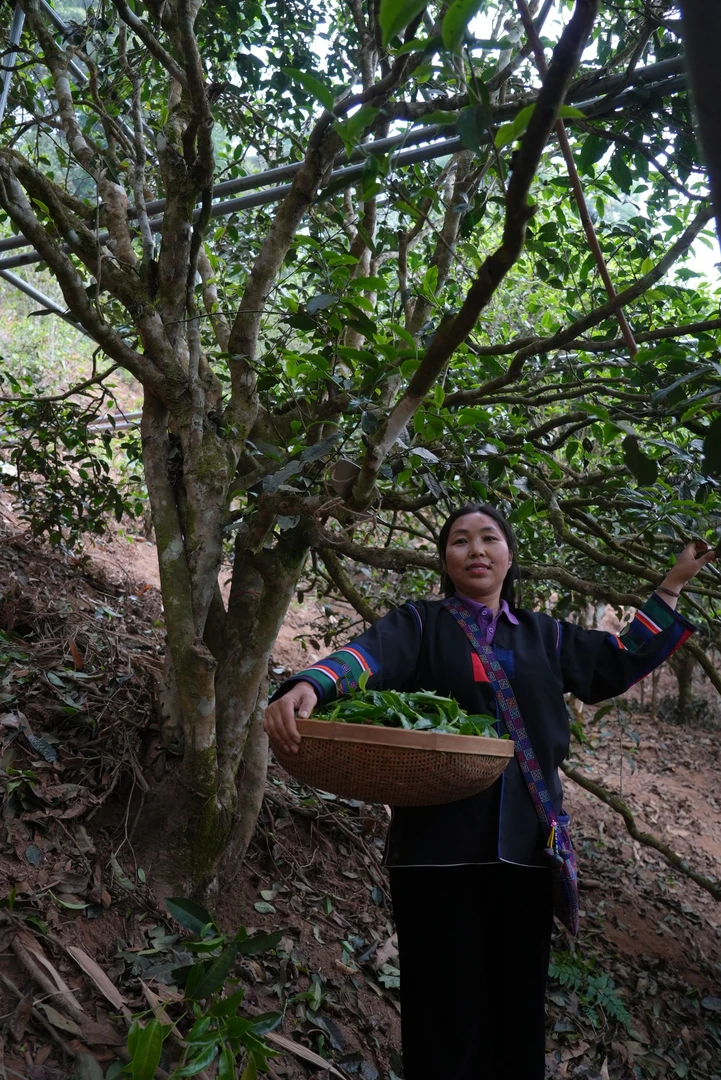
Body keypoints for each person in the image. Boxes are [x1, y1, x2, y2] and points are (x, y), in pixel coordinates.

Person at [263, 504, 715, 1080]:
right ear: (445, 560)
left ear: (509, 555)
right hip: (436, 852)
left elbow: (617, 661)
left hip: (526, 851)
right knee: (440, 1011)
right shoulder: (420, 624)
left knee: (516, 1011)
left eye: (488, 538)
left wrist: (672, 585)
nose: (475, 550)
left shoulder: (547, 637)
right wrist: (311, 684)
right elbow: (366, 657)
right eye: (460, 541)